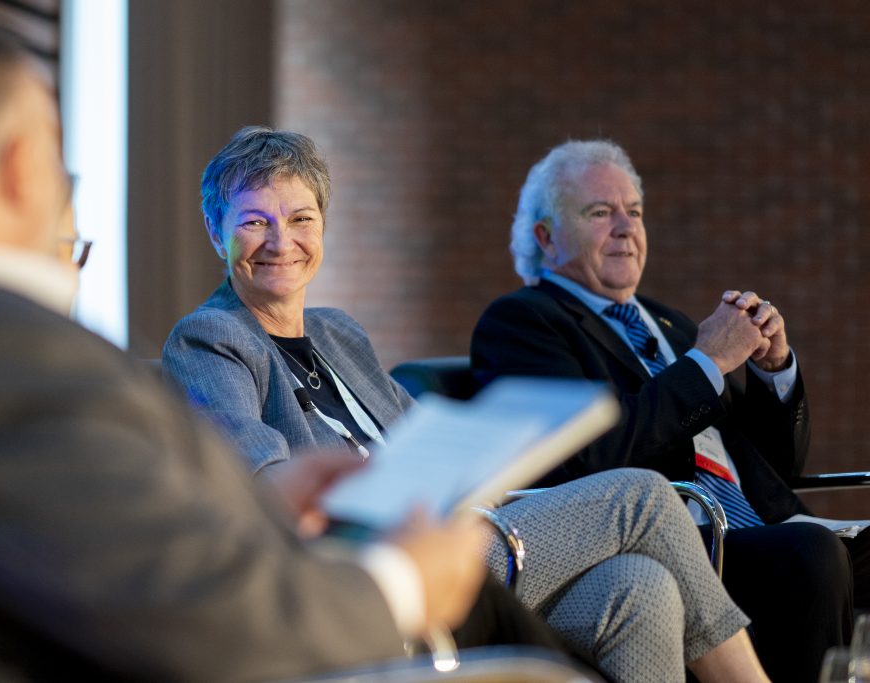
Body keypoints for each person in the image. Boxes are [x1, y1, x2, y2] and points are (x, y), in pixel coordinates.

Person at [0, 13, 563, 682]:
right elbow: (198, 614)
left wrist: (266, 506)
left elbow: (84, 536)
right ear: (19, 165)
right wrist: (401, 584)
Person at [163, 126, 771, 683]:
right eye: (253, 222)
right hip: (375, 564)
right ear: (217, 231)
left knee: (642, 588)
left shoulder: (337, 331)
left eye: (300, 218)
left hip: (458, 530)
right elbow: (268, 489)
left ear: (322, 226)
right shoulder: (210, 338)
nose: (281, 242)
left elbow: (424, 441)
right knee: (642, 495)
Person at [470, 138, 868, 682]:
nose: (625, 227)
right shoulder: (523, 323)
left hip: (767, 523)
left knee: (829, 546)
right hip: (684, 538)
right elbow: (589, 457)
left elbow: (772, 466)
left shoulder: (673, 323)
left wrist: (772, 371)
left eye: (633, 211)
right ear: (545, 236)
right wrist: (707, 361)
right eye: (599, 212)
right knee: (809, 554)